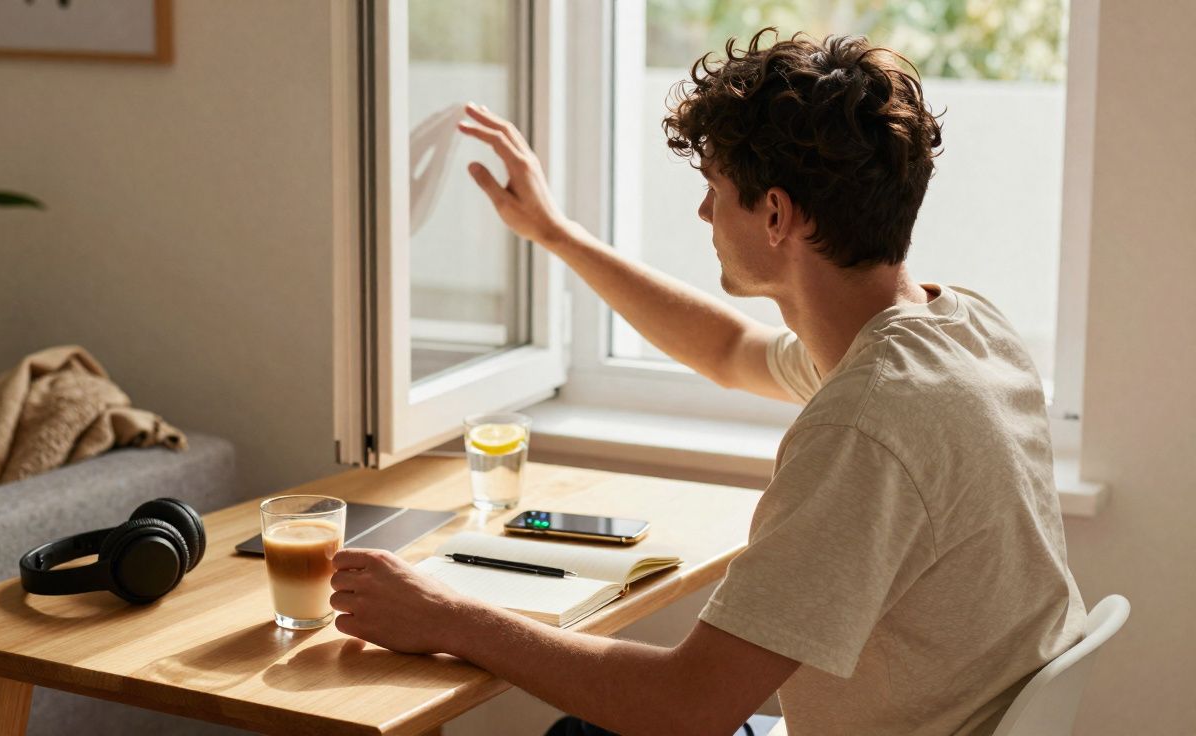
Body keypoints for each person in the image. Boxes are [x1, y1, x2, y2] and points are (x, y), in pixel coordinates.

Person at [329, 29, 1086, 736]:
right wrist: (557, 235)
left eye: (715, 189)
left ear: (776, 216)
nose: (702, 211)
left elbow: (685, 708)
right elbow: (729, 351)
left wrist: (448, 617)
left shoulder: (865, 424)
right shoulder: (960, 329)